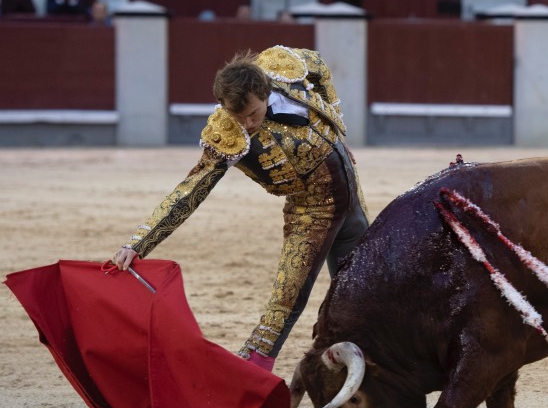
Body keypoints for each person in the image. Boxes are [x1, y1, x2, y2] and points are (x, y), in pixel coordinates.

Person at [112, 46, 369, 372]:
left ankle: (376, 374)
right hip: (310, 211)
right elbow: (191, 189)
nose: (247, 124)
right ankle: (246, 376)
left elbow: (319, 68)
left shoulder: (282, 67)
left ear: (265, 93)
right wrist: (139, 242)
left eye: (253, 114)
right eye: (238, 116)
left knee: (365, 289)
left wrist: (336, 125)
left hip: (351, 196)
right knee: (286, 301)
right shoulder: (226, 134)